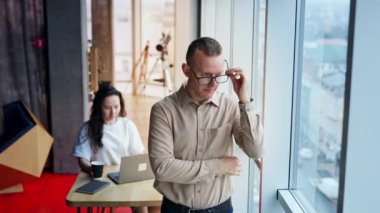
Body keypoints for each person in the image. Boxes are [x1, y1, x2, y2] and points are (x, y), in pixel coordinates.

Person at [148, 37, 264, 213]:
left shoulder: (231, 106)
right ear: (186, 70)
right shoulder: (163, 111)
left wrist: (244, 100)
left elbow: (255, 151)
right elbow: (163, 168)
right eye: (206, 76)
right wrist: (218, 166)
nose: (214, 84)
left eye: (219, 76)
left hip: (221, 209)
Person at [72, 84, 148, 213]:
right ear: (98, 107)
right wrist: (90, 168)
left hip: (124, 177)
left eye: (116, 107)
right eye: (107, 108)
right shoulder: (87, 128)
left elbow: (139, 154)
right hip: (101, 179)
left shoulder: (127, 125)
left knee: (143, 204)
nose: (113, 112)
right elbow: (82, 159)